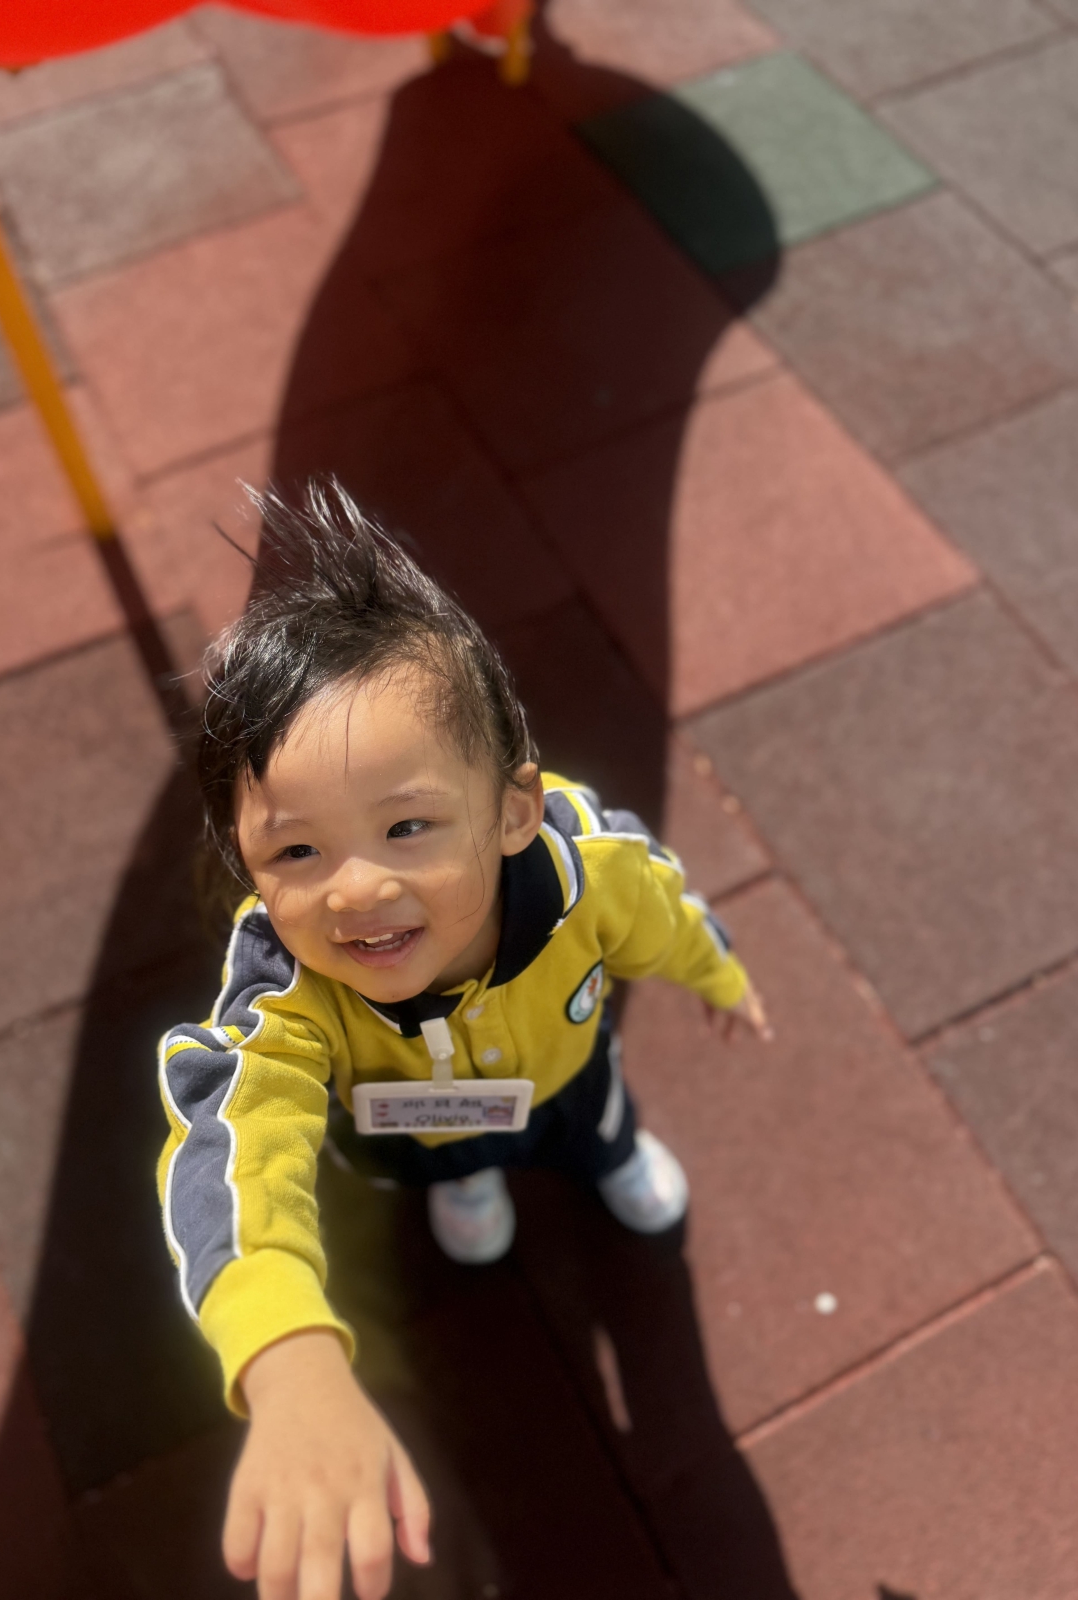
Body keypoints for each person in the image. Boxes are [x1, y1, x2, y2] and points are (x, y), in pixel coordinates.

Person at [157, 481, 772, 1600]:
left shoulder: (585, 869)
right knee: (450, 1163)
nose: (357, 889)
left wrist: (715, 971)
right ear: (247, 863)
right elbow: (230, 1137)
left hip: (565, 1073)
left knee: (599, 1129)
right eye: (296, 852)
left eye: (407, 826)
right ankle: (473, 1181)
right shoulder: (285, 988)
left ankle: (609, 1159)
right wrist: (285, 1353)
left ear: (511, 810)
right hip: (410, 1127)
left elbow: (663, 911)